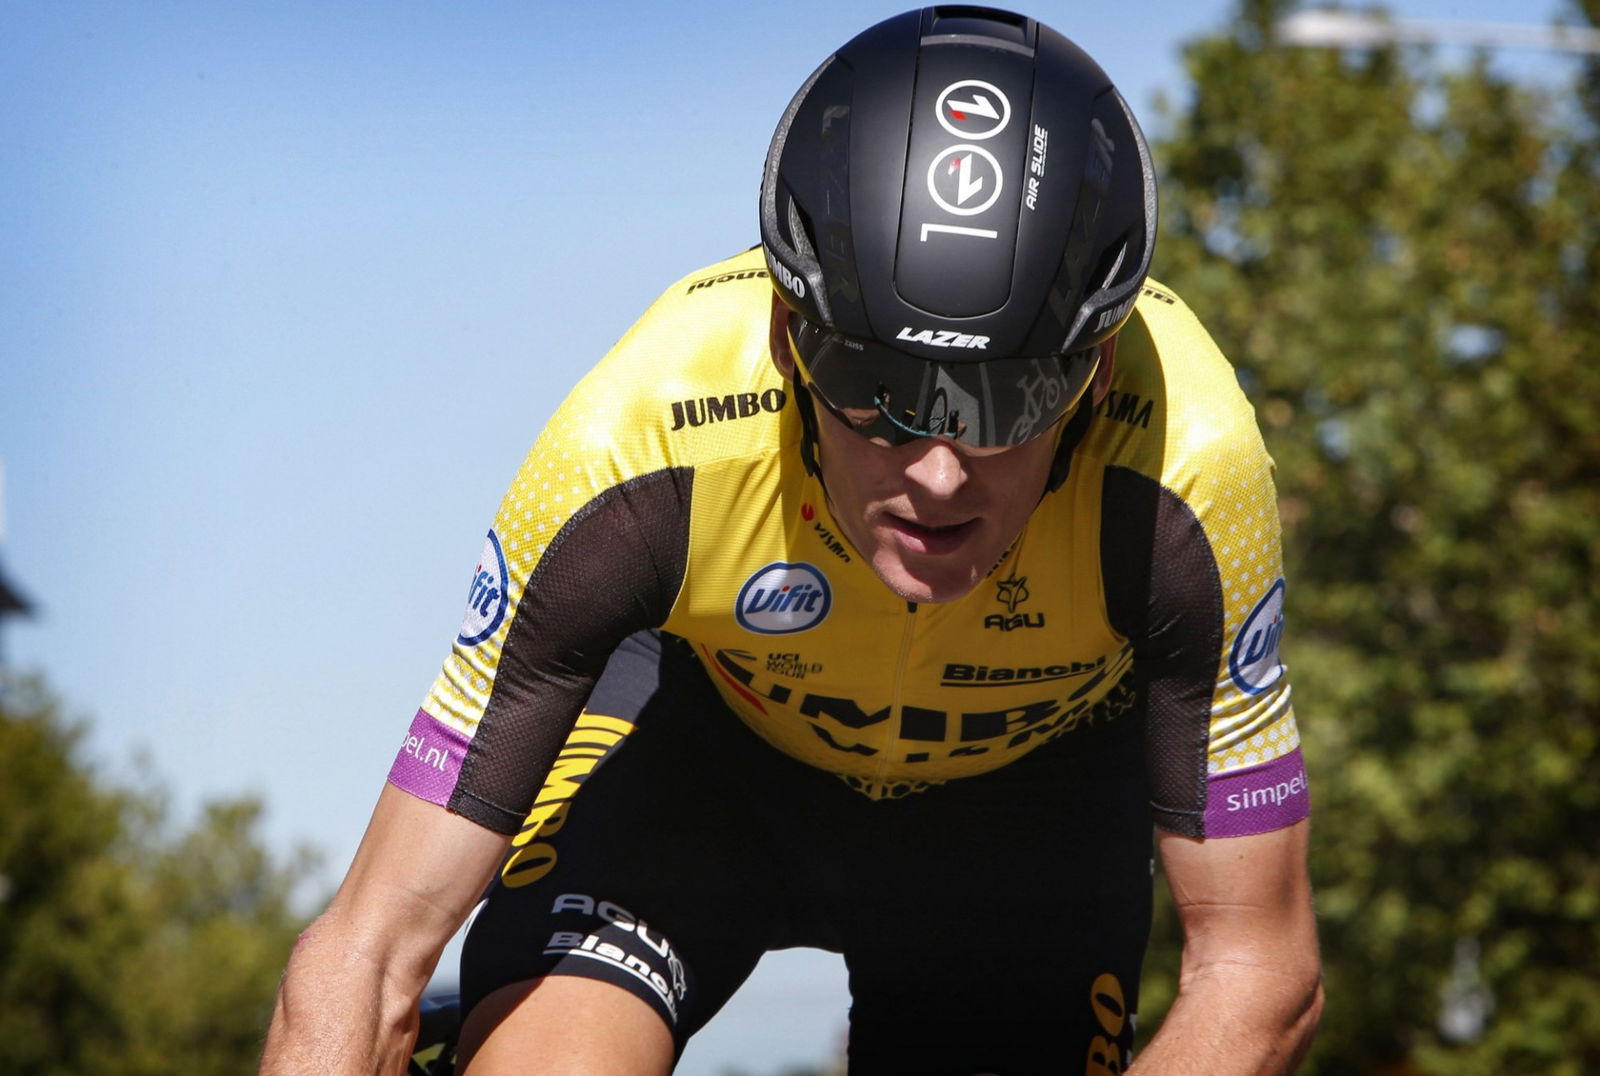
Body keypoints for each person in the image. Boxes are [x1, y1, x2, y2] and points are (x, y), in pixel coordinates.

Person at [261, 7, 1322, 1073]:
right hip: (699, 762)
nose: (939, 470)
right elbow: (366, 952)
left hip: (1023, 811)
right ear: (786, 337)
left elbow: (1258, 972)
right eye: (877, 386)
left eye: (1010, 399)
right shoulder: (643, 435)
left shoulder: (1185, 465)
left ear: (1095, 374)